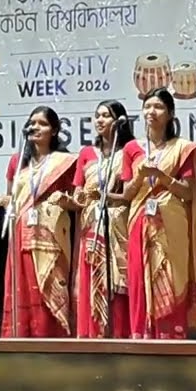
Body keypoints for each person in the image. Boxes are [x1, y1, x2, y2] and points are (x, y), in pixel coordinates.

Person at [118, 88, 196, 339]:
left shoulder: (184, 148)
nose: (151, 111)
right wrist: (140, 176)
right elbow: (127, 194)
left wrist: (161, 176)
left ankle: (171, 339)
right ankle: (141, 339)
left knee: (170, 277)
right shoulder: (131, 148)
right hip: (139, 222)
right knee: (139, 280)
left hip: (171, 225)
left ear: (170, 113)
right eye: (147, 106)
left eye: (158, 107)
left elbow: (189, 193)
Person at [0, 106, 76, 338]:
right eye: (32, 123)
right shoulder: (18, 162)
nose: (35, 127)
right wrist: (2, 201)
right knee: (22, 286)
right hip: (21, 232)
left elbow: (77, 200)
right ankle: (21, 338)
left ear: (54, 130)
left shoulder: (64, 162)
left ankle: (52, 337)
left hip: (52, 234)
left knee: (49, 283)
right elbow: (14, 200)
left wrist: (65, 202)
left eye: (42, 123)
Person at [71, 100, 141, 338]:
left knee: (117, 284)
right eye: (97, 116)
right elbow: (78, 192)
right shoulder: (86, 153)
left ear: (119, 121)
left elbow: (135, 189)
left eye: (106, 115)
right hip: (92, 225)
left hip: (118, 223)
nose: (100, 120)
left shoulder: (129, 150)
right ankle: (93, 338)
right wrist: (75, 199)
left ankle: (120, 338)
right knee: (92, 282)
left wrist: (108, 196)